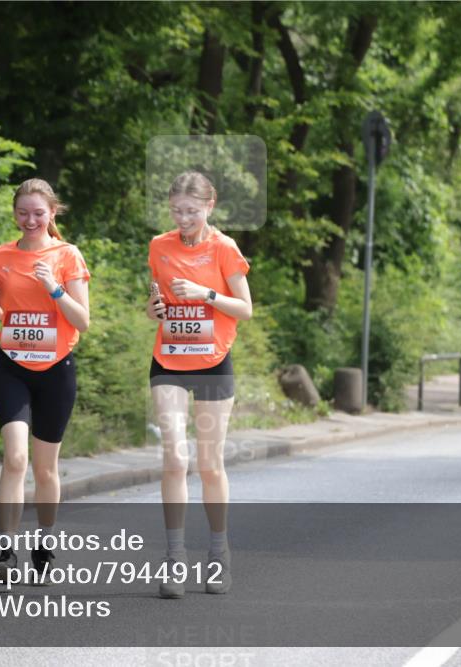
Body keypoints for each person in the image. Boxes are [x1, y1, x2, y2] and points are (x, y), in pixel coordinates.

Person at [0, 178, 90, 583]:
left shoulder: (67, 255)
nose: (30, 220)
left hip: (56, 370)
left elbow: (83, 321)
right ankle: (6, 551)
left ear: (52, 213)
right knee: (15, 458)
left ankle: (44, 540)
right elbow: (0, 314)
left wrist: (53, 288)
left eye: (38, 213)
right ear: (14, 214)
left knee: (45, 469)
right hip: (12, 366)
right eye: (23, 213)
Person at [145, 171, 252, 597]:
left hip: (212, 361)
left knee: (209, 465)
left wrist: (204, 294)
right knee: (174, 456)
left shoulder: (224, 248)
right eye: (176, 211)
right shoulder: (159, 246)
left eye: (191, 211)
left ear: (209, 206)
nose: (183, 218)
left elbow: (245, 309)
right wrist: (154, 309)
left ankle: (219, 552)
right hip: (169, 359)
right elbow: (156, 304)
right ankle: (174, 560)